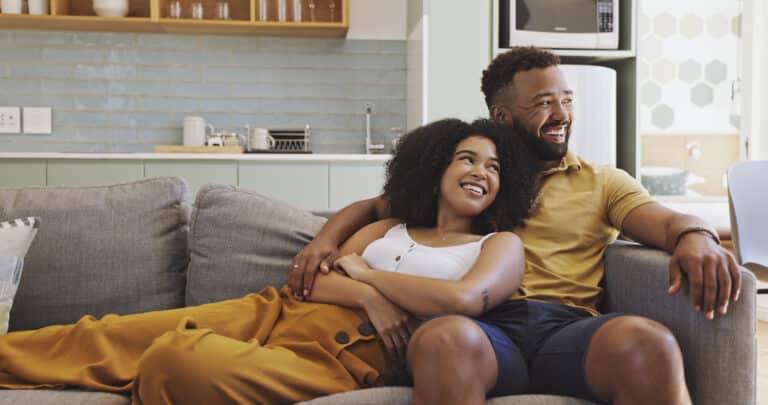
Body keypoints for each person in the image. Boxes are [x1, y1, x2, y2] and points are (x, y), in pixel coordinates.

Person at [288, 47, 742, 405]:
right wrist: (322, 243)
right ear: (502, 115)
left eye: (566, 101)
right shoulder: (474, 179)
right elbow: (373, 208)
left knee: (649, 342)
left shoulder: (601, 182)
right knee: (445, 338)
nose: (562, 114)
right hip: (479, 326)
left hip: (567, 328)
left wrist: (695, 236)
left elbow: (667, 223)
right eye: (544, 103)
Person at [0, 118, 540, 404]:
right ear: (434, 169)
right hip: (275, 311)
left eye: (493, 167)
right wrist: (371, 294)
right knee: (108, 334)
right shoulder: (386, 227)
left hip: (339, 355)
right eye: (466, 158)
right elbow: (317, 284)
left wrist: (368, 277)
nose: (480, 171)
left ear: (502, 186)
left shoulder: (497, 247)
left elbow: (462, 301)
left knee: (178, 360)